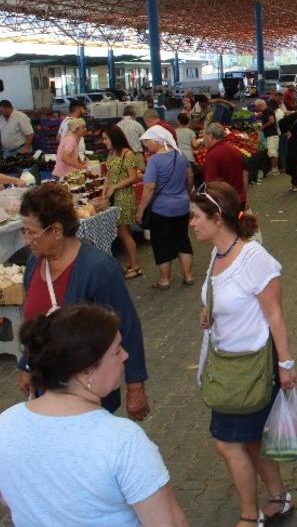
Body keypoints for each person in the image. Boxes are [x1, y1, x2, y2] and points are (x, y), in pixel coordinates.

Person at [0, 304, 185, 527]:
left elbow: (6, 496)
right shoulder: (123, 441)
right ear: (85, 369)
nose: (125, 355)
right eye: (116, 351)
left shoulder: (4, 426)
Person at [190, 182, 296, 527]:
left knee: (228, 443)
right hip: (228, 364)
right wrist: (210, 310)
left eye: (195, 217)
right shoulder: (217, 254)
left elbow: (275, 315)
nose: (191, 224)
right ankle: (279, 496)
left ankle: (250, 516)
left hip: (252, 369)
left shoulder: (254, 259)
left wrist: (286, 365)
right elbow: (224, 294)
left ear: (216, 217)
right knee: (251, 440)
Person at [17, 183, 150, 419]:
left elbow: (127, 326)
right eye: (24, 231)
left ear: (56, 230)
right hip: (46, 390)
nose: (27, 240)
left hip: (89, 394)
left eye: (32, 232)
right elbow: (34, 324)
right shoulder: (35, 263)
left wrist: (135, 385)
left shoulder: (98, 269)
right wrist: (26, 365)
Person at [137, 126, 194, 290]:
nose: (147, 146)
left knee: (162, 244)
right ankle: (188, 275)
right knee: (183, 240)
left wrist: (140, 209)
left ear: (157, 141)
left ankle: (164, 280)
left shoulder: (154, 160)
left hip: (161, 209)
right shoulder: (181, 155)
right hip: (182, 206)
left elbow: (149, 188)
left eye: (148, 142)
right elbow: (189, 176)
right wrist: (187, 194)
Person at [101, 127, 142, 279]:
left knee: (123, 233)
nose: (104, 142)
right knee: (123, 232)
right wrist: (104, 192)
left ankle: (136, 265)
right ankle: (130, 262)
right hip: (113, 196)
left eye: (106, 138)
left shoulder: (128, 154)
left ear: (114, 138)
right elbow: (108, 174)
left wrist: (114, 187)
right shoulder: (112, 154)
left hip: (124, 197)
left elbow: (133, 178)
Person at [202, 122, 248, 207]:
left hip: (224, 203)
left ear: (210, 136)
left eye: (204, 136)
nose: (203, 139)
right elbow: (245, 174)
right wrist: (245, 196)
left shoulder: (212, 155)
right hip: (239, 199)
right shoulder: (235, 149)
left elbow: (211, 184)